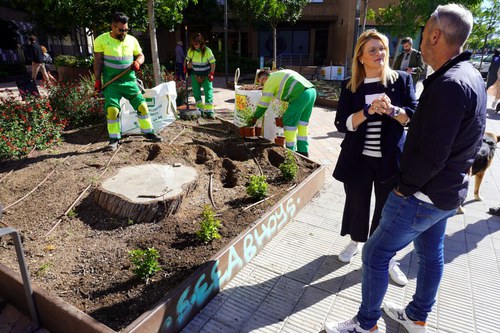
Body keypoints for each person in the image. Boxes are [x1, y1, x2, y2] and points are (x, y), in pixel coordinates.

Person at [325, 4, 486, 333]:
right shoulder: (468, 76)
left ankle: (366, 324)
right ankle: (417, 317)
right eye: (373, 49)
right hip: (443, 193)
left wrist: (403, 187)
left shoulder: (449, 84)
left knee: (374, 255)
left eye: (425, 31)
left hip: (420, 191)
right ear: (360, 57)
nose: (420, 38)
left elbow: (432, 151)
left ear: (435, 35)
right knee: (430, 253)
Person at [332, 29, 416, 287]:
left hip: (389, 160)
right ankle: (355, 242)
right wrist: (366, 111)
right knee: (357, 202)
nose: (379, 53)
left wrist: (393, 110)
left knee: (386, 210)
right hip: (358, 158)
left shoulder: (400, 80)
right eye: (373, 50)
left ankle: (387, 257)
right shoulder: (350, 85)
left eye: (382, 49)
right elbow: (342, 123)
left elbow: (412, 116)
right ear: (360, 57)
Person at [93, 12, 163, 151]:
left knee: (142, 107)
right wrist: (97, 81)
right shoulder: (101, 40)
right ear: (112, 26)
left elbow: (141, 55)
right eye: (120, 30)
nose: (124, 32)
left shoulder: (131, 40)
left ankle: (148, 132)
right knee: (112, 110)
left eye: (126, 29)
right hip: (112, 83)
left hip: (129, 81)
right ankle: (114, 139)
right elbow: (98, 61)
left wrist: (138, 62)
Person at [249, 69, 316, 157]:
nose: (262, 86)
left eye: (262, 83)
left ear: (265, 78)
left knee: (289, 124)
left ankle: (290, 153)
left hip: (300, 95)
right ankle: (303, 151)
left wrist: (254, 117)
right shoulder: (279, 74)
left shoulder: (270, 81)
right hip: (311, 92)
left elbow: (263, 104)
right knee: (302, 124)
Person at [184, 33, 216, 119]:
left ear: (201, 43)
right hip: (195, 74)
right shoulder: (191, 51)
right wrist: (185, 67)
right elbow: (186, 60)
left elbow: (212, 63)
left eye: (196, 44)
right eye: (193, 44)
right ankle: (200, 110)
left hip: (206, 75)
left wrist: (212, 74)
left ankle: (209, 111)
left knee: (208, 92)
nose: (195, 45)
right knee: (196, 92)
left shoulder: (207, 51)